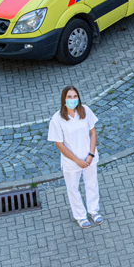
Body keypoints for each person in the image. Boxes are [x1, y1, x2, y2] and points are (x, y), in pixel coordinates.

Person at [47, 86, 103, 229]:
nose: (72, 100)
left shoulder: (85, 110)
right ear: (64, 99)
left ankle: (93, 210)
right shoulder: (57, 119)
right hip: (71, 162)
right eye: (69, 97)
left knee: (92, 183)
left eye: (75, 96)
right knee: (73, 188)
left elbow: (93, 132)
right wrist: (77, 160)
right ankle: (80, 215)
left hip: (89, 157)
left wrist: (90, 155)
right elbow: (59, 144)